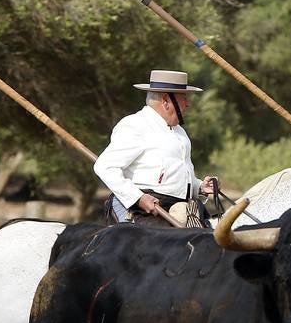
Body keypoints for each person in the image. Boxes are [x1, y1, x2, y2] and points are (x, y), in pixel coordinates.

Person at [93, 69, 218, 226]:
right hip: (139, 209)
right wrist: (138, 198)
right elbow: (105, 167)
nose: (188, 104)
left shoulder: (180, 132)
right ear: (166, 100)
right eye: (183, 98)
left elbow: (174, 180)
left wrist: (199, 187)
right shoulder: (135, 125)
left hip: (177, 208)